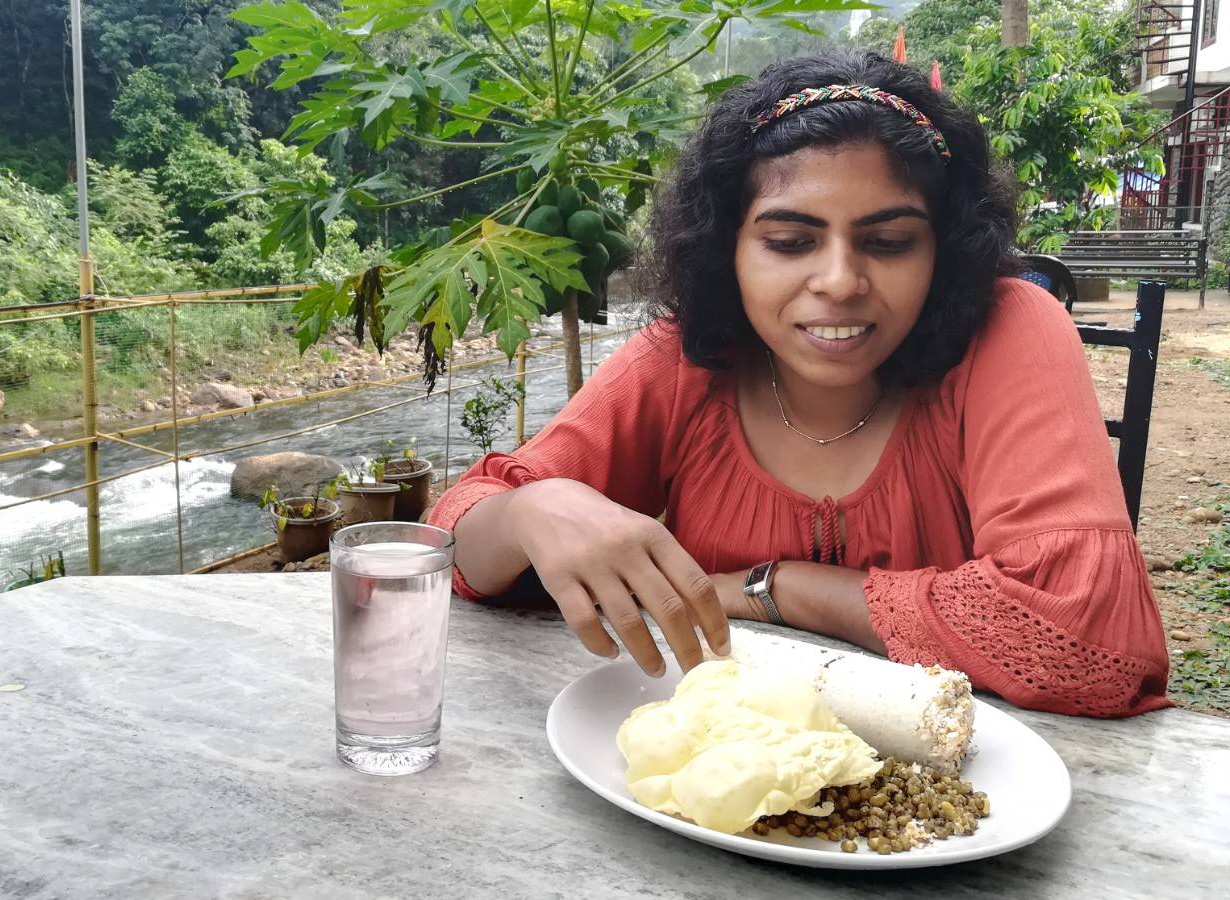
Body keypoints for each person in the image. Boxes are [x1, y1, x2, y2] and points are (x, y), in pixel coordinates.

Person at [427, 53, 1170, 717]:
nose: (840, 282)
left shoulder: (1009, 330)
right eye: (789, 242)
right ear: (729, 251)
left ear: (944, 252)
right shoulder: (687, 359)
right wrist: (534, 507)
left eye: (889, 242)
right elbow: (454, 546)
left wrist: (770, 589)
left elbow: (1083, 642)